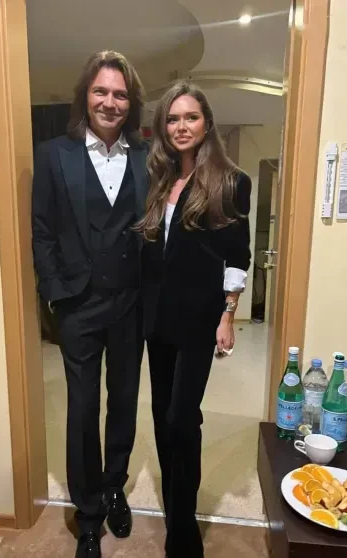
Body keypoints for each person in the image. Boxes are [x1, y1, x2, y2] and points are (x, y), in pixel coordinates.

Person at [32, 51, 148, 558]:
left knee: (123, 402)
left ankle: (115, 486)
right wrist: (56, 292)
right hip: (78, 305)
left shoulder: (147, 156)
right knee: (82, 411)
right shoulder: (53, 154)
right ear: (85, 95)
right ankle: (88, 516)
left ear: (130, 102)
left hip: (131, 303)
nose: (110, 102)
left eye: (120, 94)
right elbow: (42, 231)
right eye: (101, 91)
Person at [136, 81, 251, 558]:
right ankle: (174, 510)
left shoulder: (231, 181)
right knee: (162, 417)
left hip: (200, 318)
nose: (181, 127)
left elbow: (237, 256)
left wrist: (228, 315)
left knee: (183, 419)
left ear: (207, 124)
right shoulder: (159, 179)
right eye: (172, 119)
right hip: (157, 318)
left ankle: (184, 529)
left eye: (190, 117)